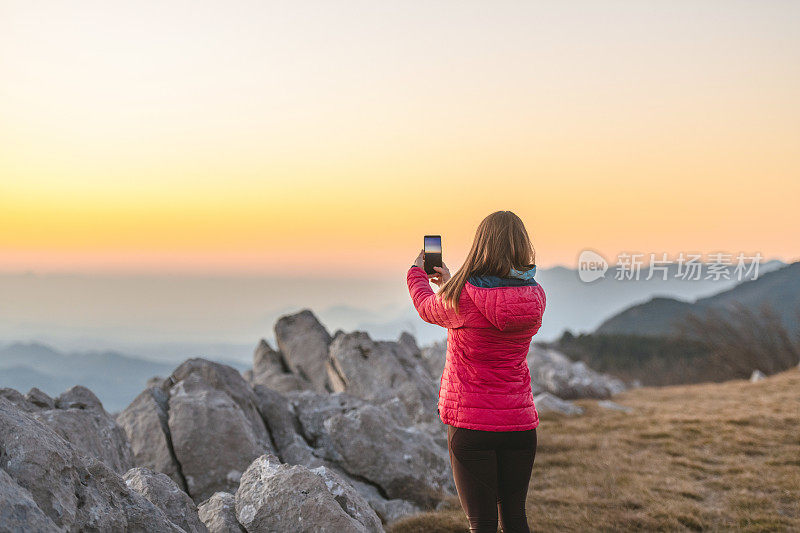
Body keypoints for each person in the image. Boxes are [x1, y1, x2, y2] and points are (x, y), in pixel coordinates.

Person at [407, 210, 546, 533]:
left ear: (481, 244)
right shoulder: (535, 297)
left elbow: (427, 307)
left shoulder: (463, 297)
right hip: (520, 426)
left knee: (481, 523)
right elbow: (497, 302)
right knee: (515, 518)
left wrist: (416, 272)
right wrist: (453, 283)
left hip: (472, 426)